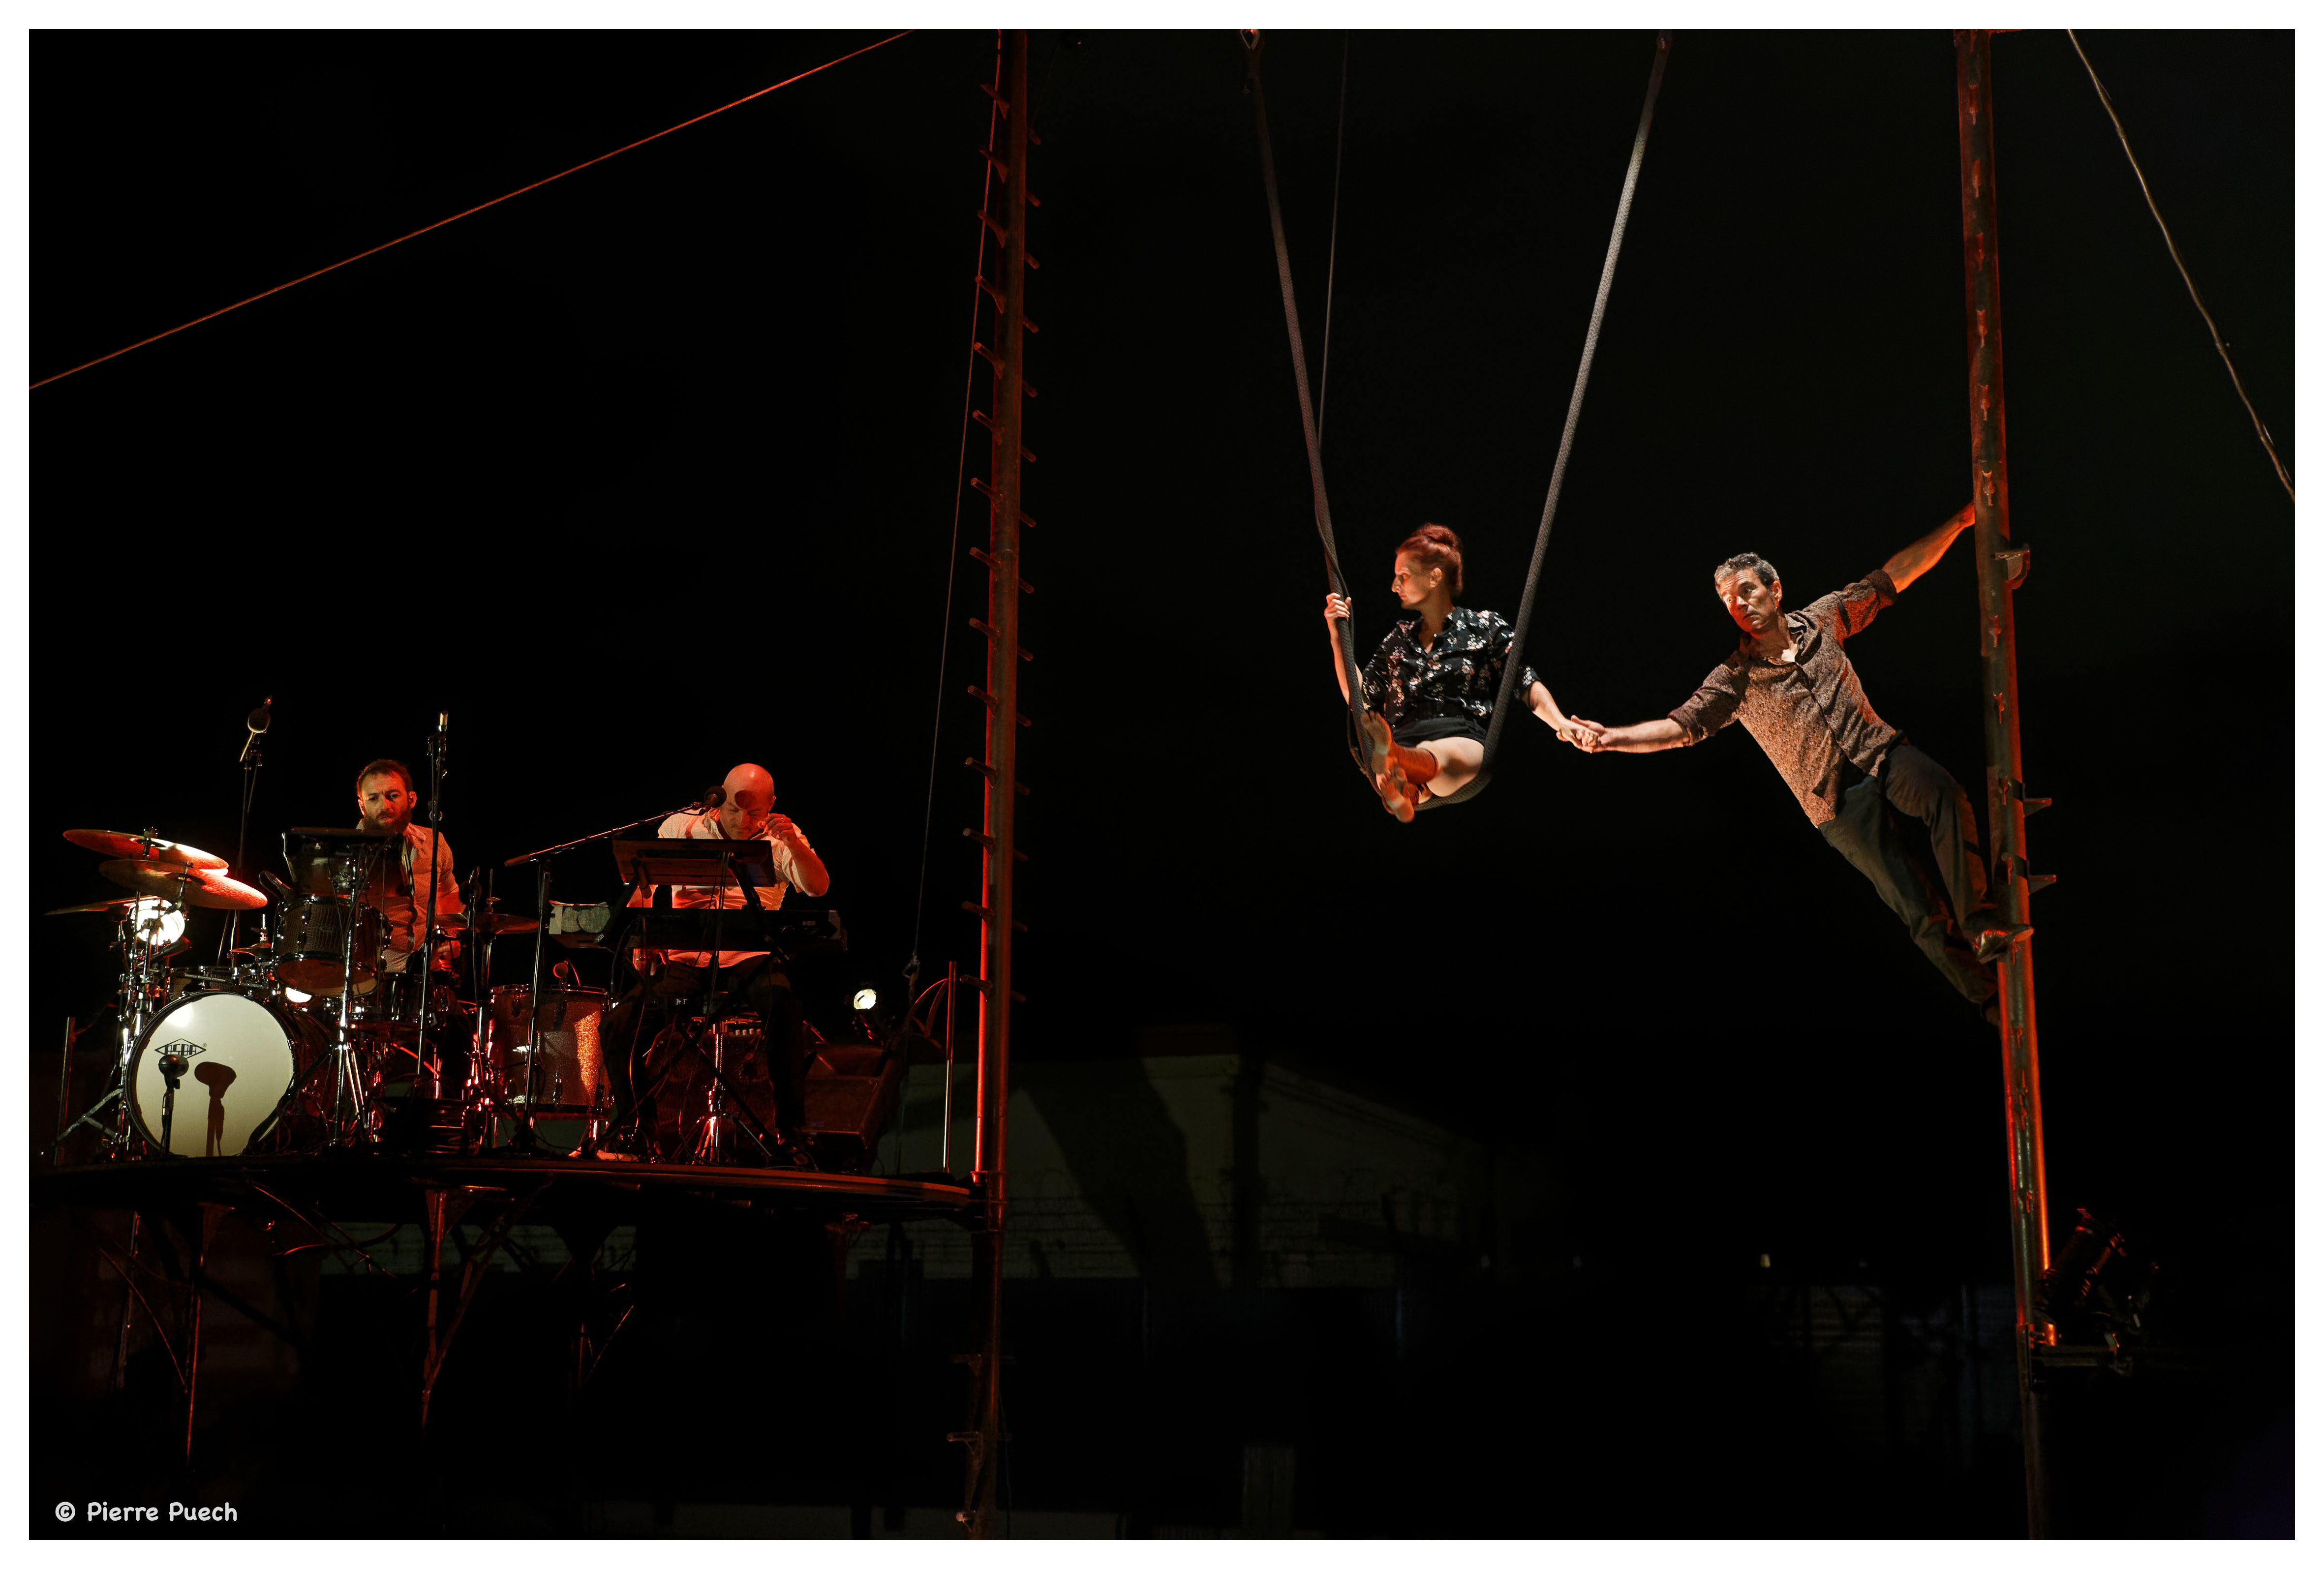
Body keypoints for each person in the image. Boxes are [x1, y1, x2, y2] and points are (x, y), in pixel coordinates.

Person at [1563, 505, 2027, 1018]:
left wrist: (1959, 524)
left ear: (1774, 590)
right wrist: (1610, 738)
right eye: (1726, 600)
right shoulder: (1734, 679)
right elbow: (1679, 728)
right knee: (1914, 906)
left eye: (1745, 591)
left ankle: (1981, 922)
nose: (1737, 604)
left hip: (1879, 754)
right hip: (1835, 804)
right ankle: (1987, 997)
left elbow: (1893, 577)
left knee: (1941, 792)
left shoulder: (1823, 619)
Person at [599, 762, 831, 1161]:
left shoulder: (781, 839)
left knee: (784, 1007)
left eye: (755, 812)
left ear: (772, 805)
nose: (744, 821)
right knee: (618, 1025)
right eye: (734, 810)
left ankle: (792, 1136)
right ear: (717, 801)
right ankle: (641, 1130)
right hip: (685, 959)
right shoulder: (682, 827)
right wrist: (639, 934)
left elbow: (818, 888)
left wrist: (794, 843)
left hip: (750, 958)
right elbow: (642, 888)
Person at [1324, 523, 1583, 821]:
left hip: (1458, 738)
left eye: (1403, 577)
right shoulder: (1398, 638)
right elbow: (1359, 697)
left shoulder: (1483, 627)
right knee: (1415, 771)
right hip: (1405, 736)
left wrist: (1560, 721)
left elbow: (1525, 682)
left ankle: (1401, 770)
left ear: (1435, 577)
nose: (1395, 587)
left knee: (1446, 759)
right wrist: (1336, 636)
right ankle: (1404, 786)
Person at [351, 757, 462, 974]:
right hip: (366, 973)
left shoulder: (434, 842)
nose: (385, 805)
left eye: (393, 796)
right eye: (373, 798)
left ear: (411, 799)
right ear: (362, 806)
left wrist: (451, 935)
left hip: (423, 974)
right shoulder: (345, 851)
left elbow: (448, 890)